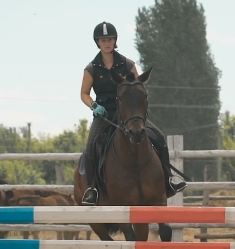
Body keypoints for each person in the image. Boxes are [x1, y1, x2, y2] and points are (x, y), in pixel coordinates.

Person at [80, 21, 187, 205]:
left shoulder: (127, 64)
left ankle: (168, 180)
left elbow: (137, 87)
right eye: (103, 40)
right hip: (105, 114)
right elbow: (84, 93)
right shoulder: (91, 68)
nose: (107, 43)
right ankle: (93, 189)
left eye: (110, 39)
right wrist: (94, 106)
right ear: (97, 42)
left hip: (129, 115)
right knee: (91, 147)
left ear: (115, 41)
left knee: (159, 137)